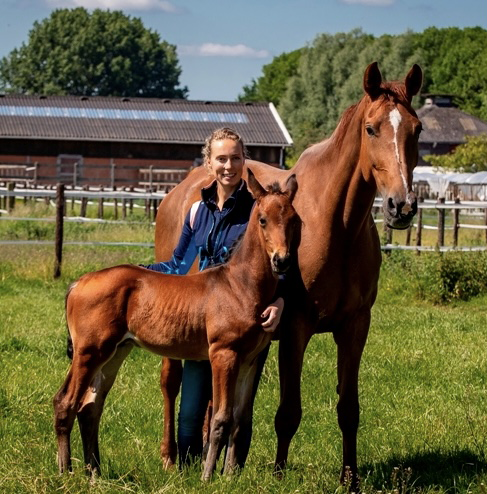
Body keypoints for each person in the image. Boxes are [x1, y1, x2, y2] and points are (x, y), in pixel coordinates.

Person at [143, 127, 284, 466]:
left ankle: (232, 475)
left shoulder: (258, 210)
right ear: (209, 163)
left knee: (238, 409)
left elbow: (282, 262)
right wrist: (133, 273)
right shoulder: (197, 210)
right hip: (203, 319)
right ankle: (191, 474)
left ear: (243, 161)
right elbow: (179, 264)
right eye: (221, 159)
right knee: (190, 412)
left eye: (236, 158)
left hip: (247, 321)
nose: (229, 166)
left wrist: (281, 302)